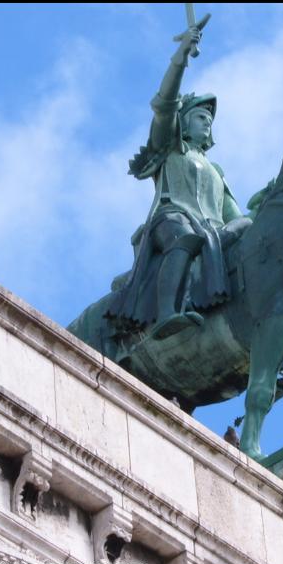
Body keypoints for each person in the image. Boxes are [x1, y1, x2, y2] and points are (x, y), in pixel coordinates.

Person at [107, 19, 251, 340]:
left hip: (212, 230)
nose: (208, 125)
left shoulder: (217, 173)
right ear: (183, 123)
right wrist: (181, 57)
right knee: (185, 237)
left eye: (210, 121)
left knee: (252, 234)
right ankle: (168, 315)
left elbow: (234, 217)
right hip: (171, 220)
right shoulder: (171, 147)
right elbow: (164, 104)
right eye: (201, 117)